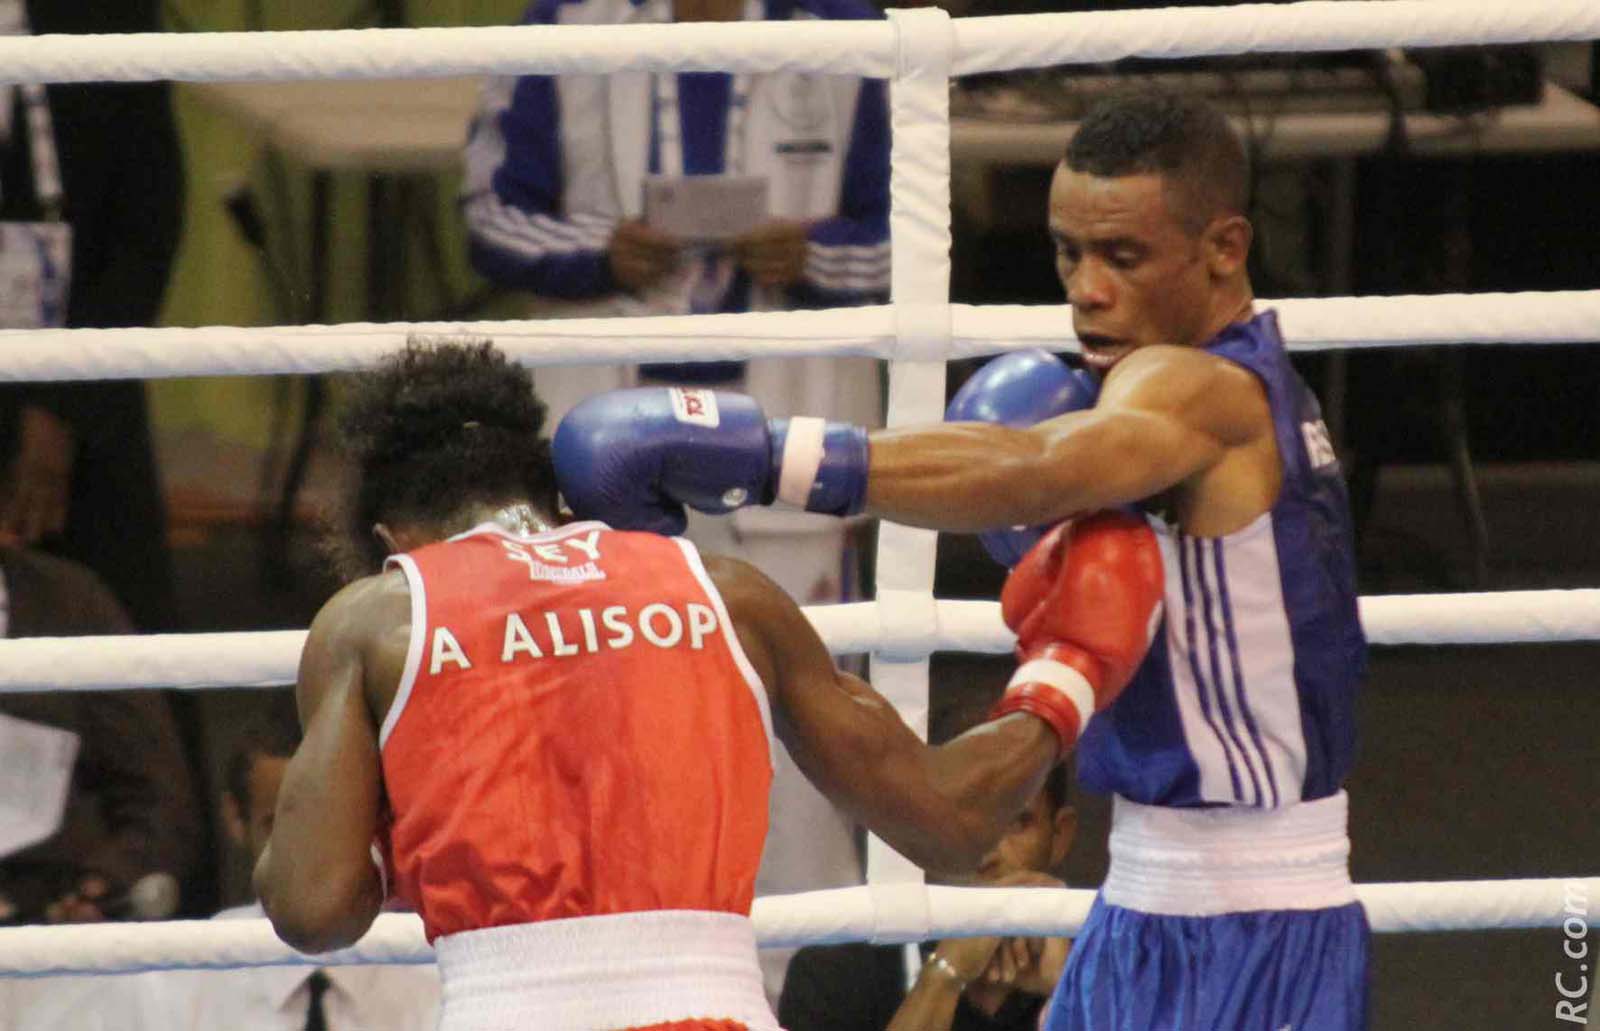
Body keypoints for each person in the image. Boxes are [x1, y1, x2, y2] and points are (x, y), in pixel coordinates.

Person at [553, 90, 1371, 1030]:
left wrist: (767, 458)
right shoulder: (1200, 393)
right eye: (1068, 252)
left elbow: (1035, 467)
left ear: (1224, 248)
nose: (1087, 289)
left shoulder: (1203, 384)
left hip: (1253, 925)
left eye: (1123, 256)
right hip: (1148, 900)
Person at [253, 338, 1162, 1030]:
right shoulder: (723, 592)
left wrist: (403, 829)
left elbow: (313, 906)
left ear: (390, 541)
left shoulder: (377, 620)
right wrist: (1068, 671)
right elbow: (951, 820)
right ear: (553, 492)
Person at [462, 0, 892, 994]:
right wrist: (601, 249)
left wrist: (814, 253)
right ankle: (599, 990)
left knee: (801, 743)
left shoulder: (848, 28)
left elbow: (916, 230)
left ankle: (798, 994)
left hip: (791, 444)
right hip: (594, 446)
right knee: (588, 728)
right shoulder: (562, 25)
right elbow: (489, 214)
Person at [0, 0, 181, 634]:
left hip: (86, 381)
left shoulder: (109, 10)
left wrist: (63, 409)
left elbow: (149, 223)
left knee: (128, 643)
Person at [134, 705, 439, 1030]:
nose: (309, 851)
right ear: (235, 818)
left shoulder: (434, 975)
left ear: (373, 814)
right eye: (283, 828)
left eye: (330, 823)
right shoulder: (183, 982)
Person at [779, 764, 1076, 1031]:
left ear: (1060, 836)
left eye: (1017, 823)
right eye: (961, 820)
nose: (988, 854)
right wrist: (945, 973)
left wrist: (1067, 989)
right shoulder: (832, 974)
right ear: (924, 828)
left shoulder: (1093, 964)